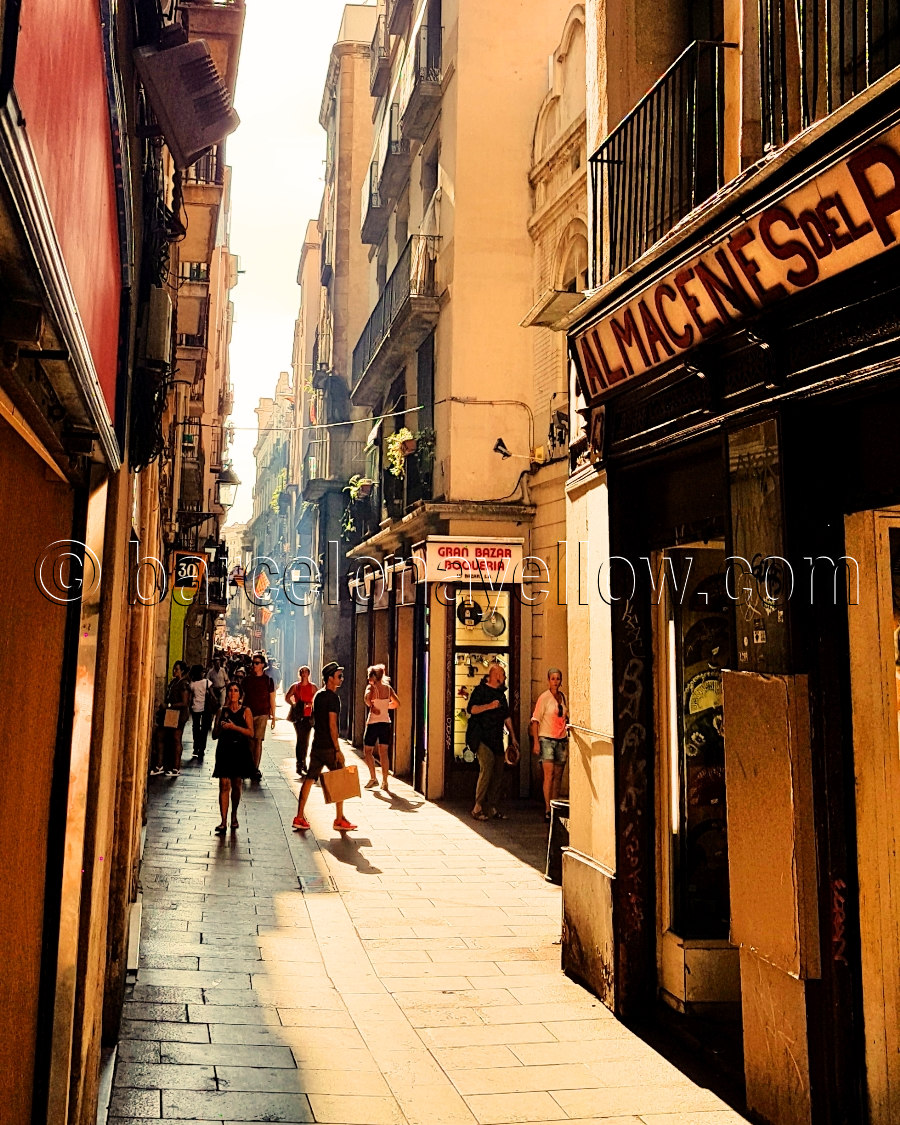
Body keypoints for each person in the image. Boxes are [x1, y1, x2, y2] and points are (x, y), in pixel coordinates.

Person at [292, 661, 357, 834]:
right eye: (339, 676)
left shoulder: (318, 695)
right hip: (328, 747)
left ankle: (299, 816)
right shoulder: (332, 698)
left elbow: (314, 720)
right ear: (330, 678)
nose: (341, 679)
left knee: (310, 778)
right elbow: (333, 725)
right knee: (341, 778)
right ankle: (339, 818)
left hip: (317, 745)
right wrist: (337, 749)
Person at [466, 661, 519, 821]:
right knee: (487, 766)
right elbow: (472, 709)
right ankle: (478, 806)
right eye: (503, 674)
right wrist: (489, 706)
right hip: (481, 737)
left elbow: (506, 716)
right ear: (495, 675)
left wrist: (513, 737)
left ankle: (492, 807)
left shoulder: (501, 695)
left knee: (498, 771)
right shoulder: (480, 691)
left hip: (497, 738)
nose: (504, 677)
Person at [211, 681, 254, 833]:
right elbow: (214, 735)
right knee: (224, 784)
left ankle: (233, 815)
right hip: (224, 749)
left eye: (236, 690)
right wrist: (221, 728)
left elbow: (251, 733)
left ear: (240, 694)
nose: (232, 693)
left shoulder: (245, 711)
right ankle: (223, 821)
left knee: (236, 784)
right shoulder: (221, 711)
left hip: (239, 750)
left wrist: (234, 727)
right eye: (230, 690)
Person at [530, 667, 569, 821]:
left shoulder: (563, 697)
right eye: (552, 678)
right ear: (548, 680)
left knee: (558, 775)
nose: (555, 681)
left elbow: (566, 716)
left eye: (558, 678)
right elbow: (535, 721)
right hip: (546, 738)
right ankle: (547, 808)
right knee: (549, 774)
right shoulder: (544, 698)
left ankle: (555, 806)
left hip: (561, 739)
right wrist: (536, 742)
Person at [363, 664, 400, 792]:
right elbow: (397, 703)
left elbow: (367, 699)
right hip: (385, 723)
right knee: (384, 752)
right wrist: (385, 706)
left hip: (373, 723)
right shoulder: (388, 689)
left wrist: (373, 706)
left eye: (369, 676)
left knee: (368, 751)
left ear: (373, 676)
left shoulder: (371, 688)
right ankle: (385, 781)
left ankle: (373, 778)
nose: (368, 679)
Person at [153, 661, 191, 777]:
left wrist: (169, 705)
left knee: (176, 738)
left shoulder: (184, 684)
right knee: (160, 735)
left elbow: (184, 703)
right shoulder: (174, 682)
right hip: (170, 714)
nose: (174, 671)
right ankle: (160, 765)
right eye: (174, 669)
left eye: (177, 669)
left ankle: (176, 767)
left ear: (182, 671)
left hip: (178, 715)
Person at [242, 652, 275, 782]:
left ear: (262, 665)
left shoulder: (268, 681)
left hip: (262, 713)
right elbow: (242, 696)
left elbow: (272, 697)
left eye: (256, 663)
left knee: (258, 740)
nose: (254, 665)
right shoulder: (247, 680)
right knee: (249, 741)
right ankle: (248, 766)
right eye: (253, 663)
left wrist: (273, 716)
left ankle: (255, 768)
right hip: (249, 713)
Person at [285, 666, 317, 778]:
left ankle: (303, 762)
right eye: (302, 672)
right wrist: (294, 705)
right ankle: (300, 762)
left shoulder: (313, 687)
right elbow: (287, 697)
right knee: (300, 739)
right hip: (298, 717)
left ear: (309, 674)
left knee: (306, 739)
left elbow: (316, 700)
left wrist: (310, 705)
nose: (304, 674)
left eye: (305, 672)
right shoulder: (295, 687)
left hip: (308, 716)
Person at [188, 664, 214, 759]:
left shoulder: (192, 684)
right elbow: (212, 695)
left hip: (195, 708)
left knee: (195, 728)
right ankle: (202, 749)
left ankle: (196, 747)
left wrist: (189, 707)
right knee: (204, 729)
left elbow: (190, 698)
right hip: (206, 709)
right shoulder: (207, 682)